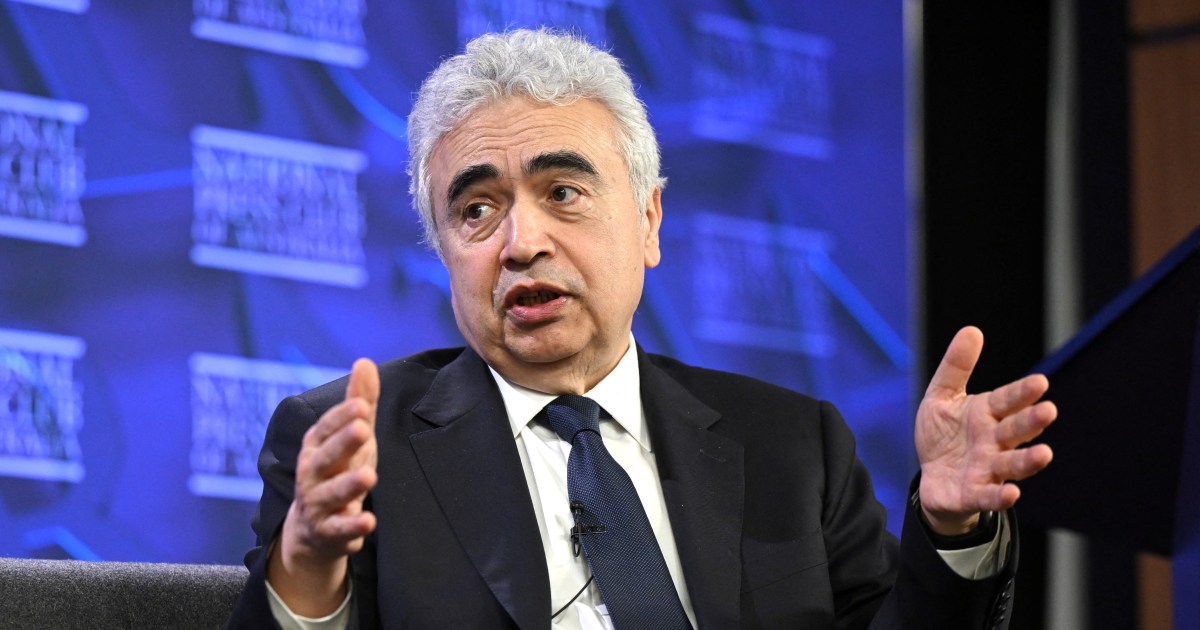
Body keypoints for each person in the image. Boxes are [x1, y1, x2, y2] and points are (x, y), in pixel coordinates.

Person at [226, 28, 1057, 629]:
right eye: (476, 210)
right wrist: (307, 568)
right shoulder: (355, 448)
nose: (521, 242)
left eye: (563, 193)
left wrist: (952, 530)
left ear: (650, 221)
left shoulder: (793, 447)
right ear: (442, 250)